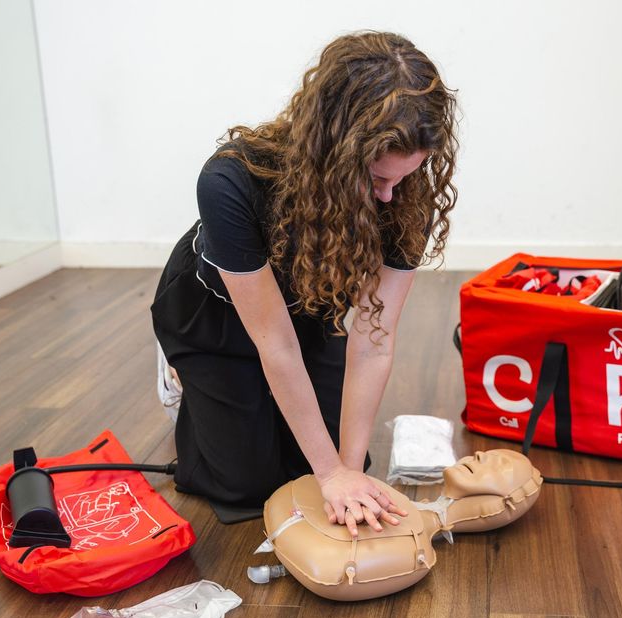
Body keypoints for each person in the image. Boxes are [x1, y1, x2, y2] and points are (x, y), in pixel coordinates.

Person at [151, 31, 458, 537]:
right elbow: (278, 348)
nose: (389, 196)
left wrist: (347, 470)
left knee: (327, 465)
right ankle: (181, 377)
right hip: (212, 317)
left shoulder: (404, 196)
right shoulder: (229, 182)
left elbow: (373, 344)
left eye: (403, 178)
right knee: (248, 487)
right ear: (333, 152)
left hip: (303, 309)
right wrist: (333, 473)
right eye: (376, 179)